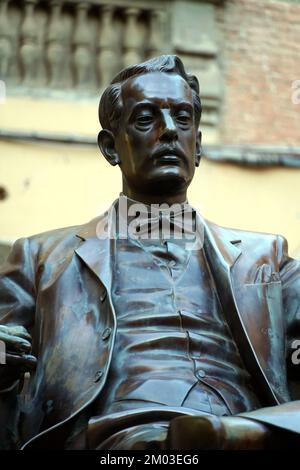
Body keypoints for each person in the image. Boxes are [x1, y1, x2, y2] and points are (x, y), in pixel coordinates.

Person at [0, 55, 300, 450]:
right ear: (111, 147)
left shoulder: (269, 258)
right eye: (146, 119)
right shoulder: (40, 259)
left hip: (253, 425)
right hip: (127, 438)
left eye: (183, 118)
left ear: (198, 146)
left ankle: (232, 434)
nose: (169, 131)